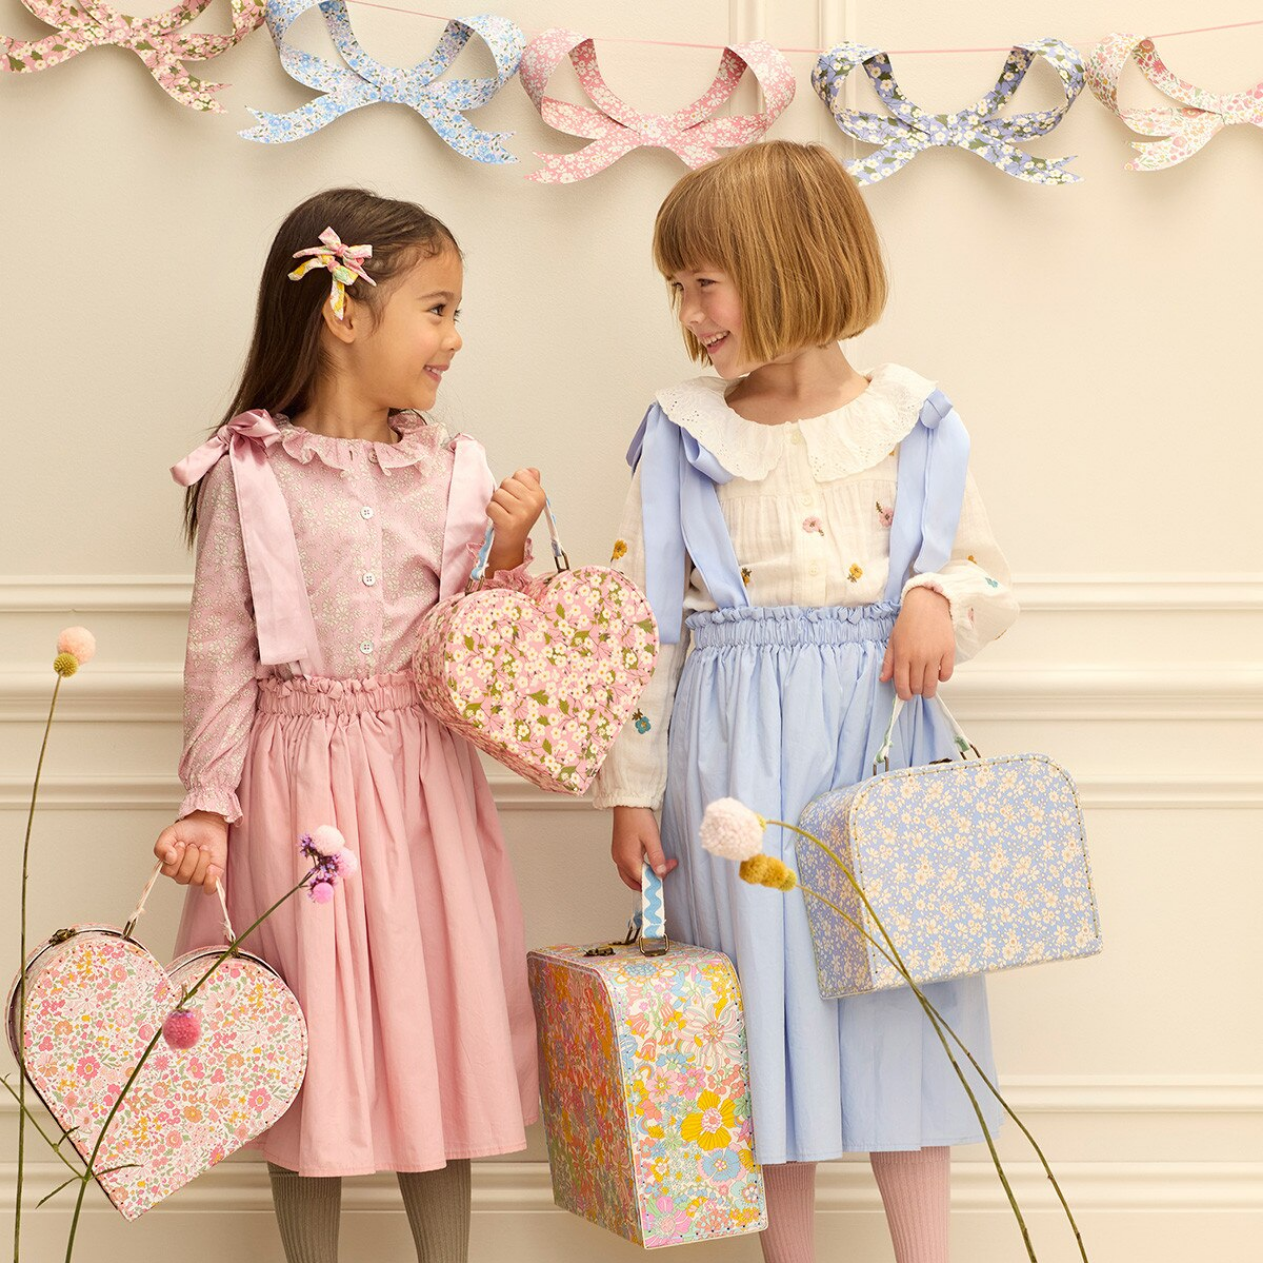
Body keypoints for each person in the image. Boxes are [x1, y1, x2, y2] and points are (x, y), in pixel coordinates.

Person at [595, 141, 1020, 1263]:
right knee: (760, 1025)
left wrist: (932, 595)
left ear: (790, 263)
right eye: (677, 287)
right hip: (732, 763)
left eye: (705, 282)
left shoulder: (916, 421)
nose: (689, 313)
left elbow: (988, 578)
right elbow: (642, 628)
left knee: (898, 1008)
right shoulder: (682, 431)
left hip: (880, 749)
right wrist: (630, 790)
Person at [156, 187, 542, 1263]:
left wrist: (510, 554)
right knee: (305, 1038)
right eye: (437, 309)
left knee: (436, 1030)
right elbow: (220, 649)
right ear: (342, 312)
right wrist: (209, 805)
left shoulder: (454, 469)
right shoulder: (249, 473)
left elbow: (479, 652)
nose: (454, 337)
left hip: (422, 787)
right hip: (295, 790)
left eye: (456, 312)